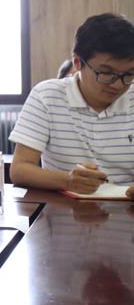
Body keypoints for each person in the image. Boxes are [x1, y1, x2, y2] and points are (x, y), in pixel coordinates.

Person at [10, 13, 134, 199]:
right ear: (77, 63)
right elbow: (19, 170)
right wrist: (68, 181)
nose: (118, 85)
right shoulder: (47, 96)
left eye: (129, 74)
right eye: (107, 73)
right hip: (62, 208)